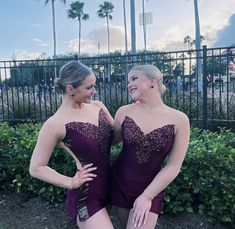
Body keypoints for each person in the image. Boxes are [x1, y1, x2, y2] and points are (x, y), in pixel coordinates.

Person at [29, 61, 114, 229]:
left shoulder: (98, 107)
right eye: (89, 87)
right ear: (70, 89)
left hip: (111, 185)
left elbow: (114, 138)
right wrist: (70, 182)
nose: (94, 91)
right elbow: (36, 167)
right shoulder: (55, 123)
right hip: (88, 195)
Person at [111, 64, 190, 229]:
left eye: (134, 78)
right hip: (120, 183)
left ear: (153, 81)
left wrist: (147, 196)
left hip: (152, 187)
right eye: (128, 80)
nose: (128, 84)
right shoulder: (123, 112)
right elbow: (107, 142)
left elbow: (173, 166)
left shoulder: (179, 119)